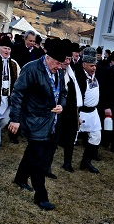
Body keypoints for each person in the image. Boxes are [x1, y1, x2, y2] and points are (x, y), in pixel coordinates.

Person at [9, 38, 71, 211]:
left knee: (33, 152)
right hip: (33, 120)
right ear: (48, 57)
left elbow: (63, 93)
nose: (60, 66)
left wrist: (62, 105)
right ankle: (41, 196)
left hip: (51, 121)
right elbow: (17, 94)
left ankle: (20, 178)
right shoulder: (31, 69)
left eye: (61, 63)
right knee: (39, 159)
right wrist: (15, 119)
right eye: (58, 63)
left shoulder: (59, 72)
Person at [58, 52, 103, 174]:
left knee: (96, 136)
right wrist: (76, 114)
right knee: (72, 138)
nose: (94, 68)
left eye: (95, 65)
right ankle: (67, 162)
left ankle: (86, 161)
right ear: (84, 65)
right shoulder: (77, 76)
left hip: (93, 112)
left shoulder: (94, 75)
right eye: (91, 65)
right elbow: (73, 97)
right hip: (80, 111)